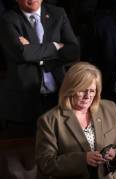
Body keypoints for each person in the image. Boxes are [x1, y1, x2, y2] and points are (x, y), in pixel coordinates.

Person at [0, 0, 79, 137]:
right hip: (24, 103)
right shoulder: (8, 19)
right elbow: (22, 53)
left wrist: (34, 51)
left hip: (57, 98)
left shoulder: (57, 13)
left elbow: (73, 51)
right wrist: (56, 46)